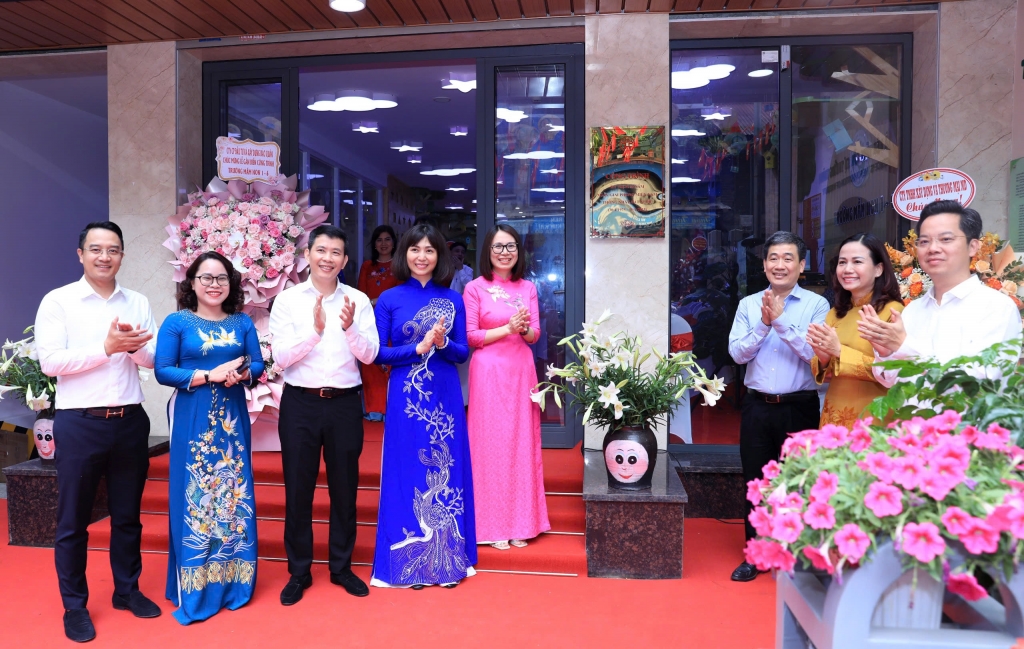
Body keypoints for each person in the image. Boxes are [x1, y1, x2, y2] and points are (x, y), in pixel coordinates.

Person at [35, 221, 161, 642]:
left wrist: (134, 347)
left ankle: (127, 590)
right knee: (73, 520)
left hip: (129, 421)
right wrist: (105, 349)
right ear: (81, 254)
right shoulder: (59, 301)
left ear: (122, 255)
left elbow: (152, 359)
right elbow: (50, 362)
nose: (104, 257)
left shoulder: (138, 301)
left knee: (128, 517)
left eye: (113, 250)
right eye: (96, 249)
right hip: (80, 423)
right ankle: (74, 606)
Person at [269, 225, 380, 605]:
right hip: (300, 403)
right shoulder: (287, 301)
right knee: (298, 489)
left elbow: (370, 355)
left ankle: (341, 567)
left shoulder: (358, 300)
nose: (327, 258)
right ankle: (299, 571)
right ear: (308, 255)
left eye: (335, 252)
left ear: (344, 260)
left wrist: (349, 330)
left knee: (345, 488)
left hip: (345, 404)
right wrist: (314, 333)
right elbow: (280, 358)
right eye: (321, 250)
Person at [154, 251, 264, 625]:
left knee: (233, 492)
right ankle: (195, 585)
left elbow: (257, 364)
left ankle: (233, 581)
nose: (214, 284)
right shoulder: (177, 322)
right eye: (206, 277)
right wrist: (208, 376)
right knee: (195, 491)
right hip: (192, 415)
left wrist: (242, 374)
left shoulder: (242, 322)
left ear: (231, 283)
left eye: (221, 278)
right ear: (192, 282)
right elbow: (163, 370)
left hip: (232, 418)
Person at [370, 223, 476, 588]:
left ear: (439, 256)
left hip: (444, 395)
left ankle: (448, 563)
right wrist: (417, 348)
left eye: (429, 250)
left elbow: (462, 353)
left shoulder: (453, 299)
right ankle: (410, 566)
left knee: (445, 468)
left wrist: (442, 343)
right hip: (406, 395)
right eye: (415, 249)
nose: (422, 256)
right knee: (406, 469)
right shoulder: (389, 299)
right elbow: (378, 353)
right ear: (405, 254)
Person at [727, 231, 829, 582]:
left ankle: (794, 555)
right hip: (757, 406)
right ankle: (755, 554)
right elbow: (737, 354)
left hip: (799, 407)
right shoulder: (748, 304)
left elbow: (815, 354)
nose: (780, 264)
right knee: (755, 482)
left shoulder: (817, 305)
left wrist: (781, 322)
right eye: (773, 258)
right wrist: (763, 324)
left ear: (801, 265)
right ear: (764, 264)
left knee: (797, 482)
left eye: (788, 258)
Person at [860, 200, 1023, 386]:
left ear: (973, 246)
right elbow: (893, 383)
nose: (933, 248)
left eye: (946, 239)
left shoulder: (997, 307)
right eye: (924, 241)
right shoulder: (913, 310)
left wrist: (906, 347)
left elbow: (981, 383)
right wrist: (887, 353)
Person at [464, 224, 550, 550]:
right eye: (498, 246)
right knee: (489, 445)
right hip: (488, 372)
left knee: (521, 443)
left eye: (511, 246)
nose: (505, 252)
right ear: (488, 251)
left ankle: (521, 523)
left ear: (518, 251)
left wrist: (523, 328)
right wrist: (507, 328)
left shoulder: (527, 287)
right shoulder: (475, 288)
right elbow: (471, 336)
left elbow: (535, 335)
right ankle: (491, 524)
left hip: (521, 371)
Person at [806, 233, 903, 428]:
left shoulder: (893, 312)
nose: (847, 269)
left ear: (878, 269)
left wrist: (839, 352)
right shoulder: (835, 313)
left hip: (872, 416)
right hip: (834, 413)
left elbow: (894, 373)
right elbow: (826, 373)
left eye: (857, 262)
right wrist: (823, 359)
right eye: (842, 262)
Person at [357, 225, 399, 421]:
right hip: (368, 322)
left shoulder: (400, 267)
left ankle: (390, 409)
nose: (383, 243)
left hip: (393, 322)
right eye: (379, 239)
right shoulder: (367, 266)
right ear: (374, 244)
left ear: (394, 243)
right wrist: (373, 302)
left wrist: (375, 301)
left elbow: (399, 296)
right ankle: (373, 410)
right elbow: (361, 296)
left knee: (389, 365)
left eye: (387, 239)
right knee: (370, 364)